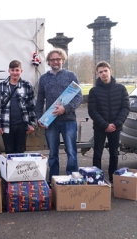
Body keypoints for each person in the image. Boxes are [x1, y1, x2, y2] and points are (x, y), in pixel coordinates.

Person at [36, 48, 83, 182]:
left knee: (72, 152)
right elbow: (39, 100)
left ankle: (72, 179)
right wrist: (39, 117)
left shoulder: (71, 76)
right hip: (51, 122)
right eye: (52, 60)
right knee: (52, 154)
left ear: (63, 60)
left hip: (68, 120)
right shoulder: (44, 78)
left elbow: (79, 97)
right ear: (49, 62)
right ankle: (54, 181)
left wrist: (65, 108)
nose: (55, 62)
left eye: (58, 59)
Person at [87, 61, 130, 183]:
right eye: (100, 72)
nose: (104, 74)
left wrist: (116, 124)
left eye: (105, 71)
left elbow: (125, 107)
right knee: (97, 154)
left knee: (114, 154)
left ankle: (113, 179)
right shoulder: (94, 91)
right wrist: (105, 125)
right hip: (100, 128)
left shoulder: (121, 89)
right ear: (97, 74)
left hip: (116, 127)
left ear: (110, 71)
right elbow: (92, 111)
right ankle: (96, 180)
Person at [0, 60, 36, 154]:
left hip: (22, 125)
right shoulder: (1, 86)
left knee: (20, 151)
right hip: (6, 125)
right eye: (12, 70)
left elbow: (32, 106)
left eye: (17, 70)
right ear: (9, 71)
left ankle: (19, 169)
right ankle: (10, 169)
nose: (15, 73)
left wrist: (32, 123)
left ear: (21, 71)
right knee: (9, 152)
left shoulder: (27, 86)